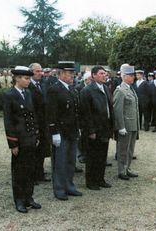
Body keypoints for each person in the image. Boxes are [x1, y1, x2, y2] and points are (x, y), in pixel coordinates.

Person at [3, 66, 41, 213]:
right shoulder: (9, 95)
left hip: (30, 138)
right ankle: (19, 200)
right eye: (26, 78)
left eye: (29, 78)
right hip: (19, 139)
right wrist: (13, 143)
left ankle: (29, 197)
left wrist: (36, 135)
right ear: (17, 78)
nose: (28, 81)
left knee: (30, 169)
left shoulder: (29, 93)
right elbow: (8, 121)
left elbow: (33, 115)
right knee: (19, 171)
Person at [47, 61, 82, 200]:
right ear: (60, 73)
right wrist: (54, 132)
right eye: (69, 73)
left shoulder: (72, 89)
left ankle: (69, 185)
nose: (72, 75)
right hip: (60, 132)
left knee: (70, 161)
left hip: (71, 131)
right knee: (60, 162)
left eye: (73, 73)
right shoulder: (54, 90)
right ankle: (59, 188)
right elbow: (51, 113)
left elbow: (75, 112)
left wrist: (78, 128)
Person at [80, 66, 114, 190]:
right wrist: (90, 130)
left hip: (105, 127)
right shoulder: (87, 91)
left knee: (102, 156)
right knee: (92, 156)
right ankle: (91, 182)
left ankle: (100, 179)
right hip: (95, 129)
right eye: (101, 73)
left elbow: (109, 108)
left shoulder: (105, 88)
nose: (104, 75)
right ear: (93, 76)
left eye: (105, 73)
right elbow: (86, 113)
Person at [114, 64, 139, 180]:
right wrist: (121, 126)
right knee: (123, 149)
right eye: (130, 75)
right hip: (125, 126)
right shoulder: (120, 90)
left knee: (130, 149)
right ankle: (121, 170)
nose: (133, 77)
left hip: (133, 125)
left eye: (133, 75)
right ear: (123, 76)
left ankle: (127, 168)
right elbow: (117, 110)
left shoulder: (131, 89)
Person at [28, 63, 51, 183]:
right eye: (37, 71)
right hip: (33, 123)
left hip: (43, 123)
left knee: (41, 149)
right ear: (31, 72)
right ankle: (32, 175)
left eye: (41, 71)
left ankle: (39, 173)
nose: (41, 73)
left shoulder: (43, 84)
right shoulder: (27, 86)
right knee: (33, 150)